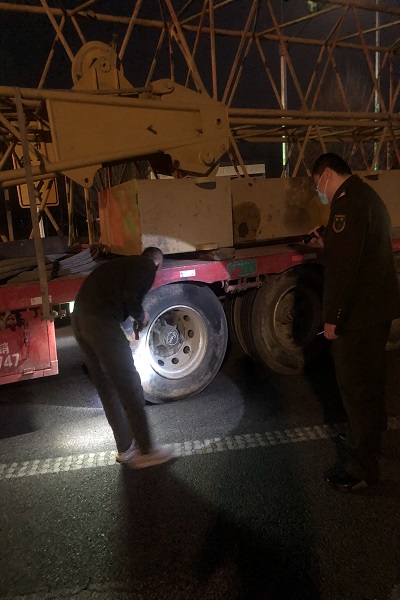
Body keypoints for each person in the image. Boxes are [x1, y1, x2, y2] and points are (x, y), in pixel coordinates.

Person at [310, 153, 400, 492]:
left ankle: (360, 469)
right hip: (376, 311)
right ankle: (370, 444)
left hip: (358, 315)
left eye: (317, 185)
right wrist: (328, 243)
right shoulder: (367, 196)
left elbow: (344, 269)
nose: (319, 192)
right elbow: (357, 250)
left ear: (327, 175)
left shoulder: (346, 204)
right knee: (372, 384)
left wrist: (332, 318)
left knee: (356, 390)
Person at [71, 247, 173, 469]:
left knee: (106, 386)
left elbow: (121, 298)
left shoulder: (122, 267)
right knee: (130, 384)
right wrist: (141, 315)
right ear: (157, 263)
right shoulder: (147, 265)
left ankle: (126, 449)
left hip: (80, 321)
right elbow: (130, 296)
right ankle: (147, 450)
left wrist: (130, 328)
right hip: (100, 323)